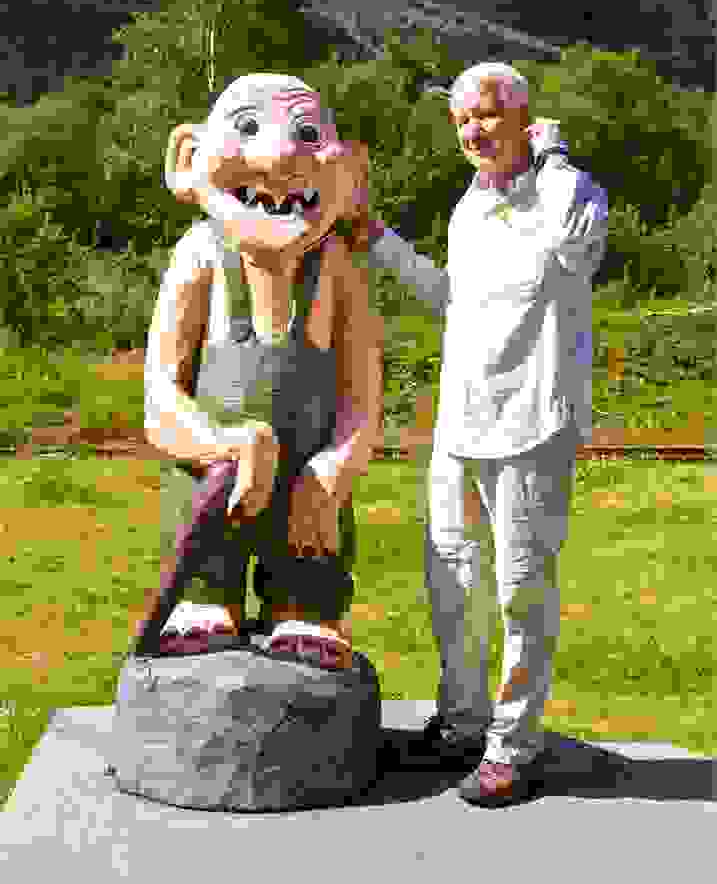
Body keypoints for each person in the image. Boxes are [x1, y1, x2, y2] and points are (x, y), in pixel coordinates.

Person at [348, 61, 608, 806]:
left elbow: (572, 243)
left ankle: (512, 746)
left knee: (522, 591)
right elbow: (451, 299)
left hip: (532, 424)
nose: (472, 130)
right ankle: (462, 723)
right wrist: (379, 239)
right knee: (452, 582)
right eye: (462, 119)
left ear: (525, 119)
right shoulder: (470, 207)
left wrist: (553, 157)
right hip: (460, 426)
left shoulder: (571, 193)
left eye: (487, 115)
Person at [145, 73, 382, 670]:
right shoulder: (200, 254)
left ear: (351, 174)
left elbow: (362, 400)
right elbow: (161, 399)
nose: (279, 157)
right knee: (207, 521)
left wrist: (333, 470)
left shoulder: (338, 268)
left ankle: (304, 604)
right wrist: (223, 443)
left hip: (309, 495)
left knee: (314, 554)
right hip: (219, 484)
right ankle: (207, 595)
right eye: (248, 128)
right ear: (188, 158)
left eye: (307, 135)